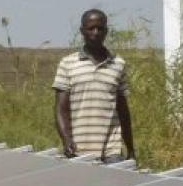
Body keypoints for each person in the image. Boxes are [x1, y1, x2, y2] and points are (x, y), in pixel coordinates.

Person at [53, 9, 136, 162]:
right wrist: (66, 140)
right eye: (91, 28)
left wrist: (130, 148)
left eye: (100, 28)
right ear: (82, 31)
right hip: (79, 149)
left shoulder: (118, 64)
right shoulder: (68, 63)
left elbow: (123, 110)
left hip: (112, 149)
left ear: (106, 31)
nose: (96, 32)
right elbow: (60, 108)